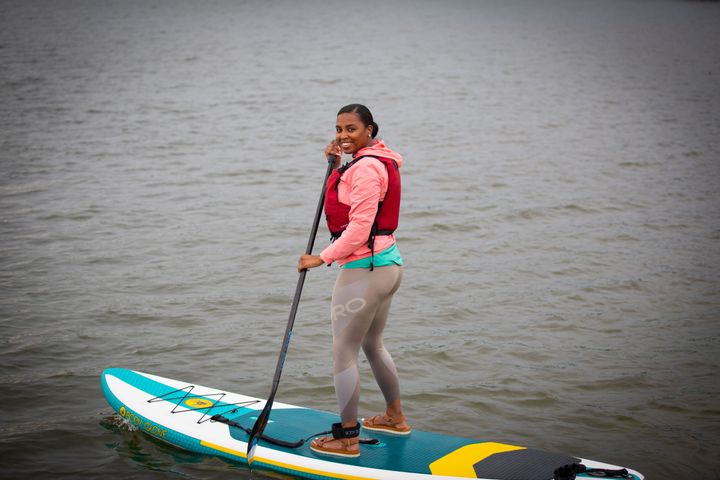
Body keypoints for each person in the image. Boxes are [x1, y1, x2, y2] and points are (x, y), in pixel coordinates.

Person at [297, 104, 411, 458]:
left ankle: (347, 439)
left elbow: (360, 228)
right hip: (387, 268)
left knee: (342, 351)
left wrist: (322, 257)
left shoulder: (365, 170)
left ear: (370, 130)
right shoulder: (377, 160)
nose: (344, 136)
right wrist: (332, 163)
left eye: (352, 129)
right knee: (372, 345)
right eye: (339, 129)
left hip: (364, 271)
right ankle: (394, 417)